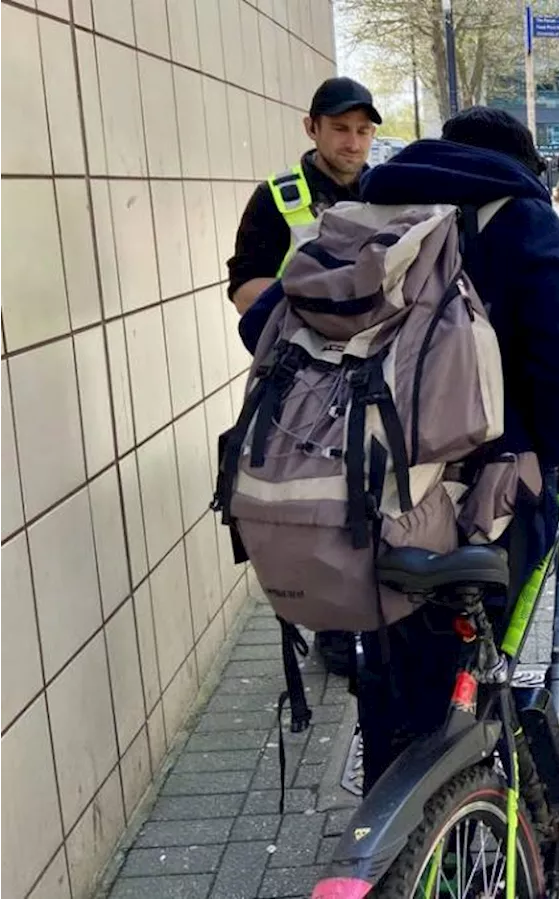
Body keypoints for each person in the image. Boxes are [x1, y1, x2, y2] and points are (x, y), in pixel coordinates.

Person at [353, 108, 559, 790]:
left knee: (395, 657)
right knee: (481, 660)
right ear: (520, 165)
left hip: (365, 486)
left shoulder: (373, 205)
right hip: (480, 499)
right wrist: (539, 457)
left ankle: (395, 820)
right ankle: (484, 818)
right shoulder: (521, 217)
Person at [226, 75, 382, 678]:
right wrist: (314, 314)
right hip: (302, 383)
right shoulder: (277, 196)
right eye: (340, 128)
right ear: (310, 127)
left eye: (363, 130)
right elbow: (245, 287)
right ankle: (334, 628)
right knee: (314, 499)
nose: (352, 141)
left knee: (373, 493)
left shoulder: (386, 191)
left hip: (373, 372)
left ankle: (376, 609)